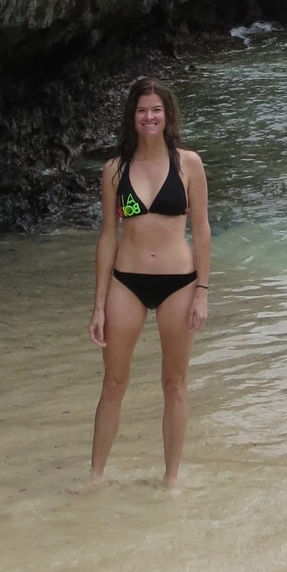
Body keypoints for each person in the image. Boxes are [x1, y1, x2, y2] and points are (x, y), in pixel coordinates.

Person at [89, 77, 210, 488]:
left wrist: (202, 293)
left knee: (174, 385)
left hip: (179, 283)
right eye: (142, 110)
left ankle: (171, 480)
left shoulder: (189, 164)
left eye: (156, 109)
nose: (149, 117)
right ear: (132, 116)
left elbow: (202, 230)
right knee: (113, 382)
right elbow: (108, 237)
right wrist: (98, 305)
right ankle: (95, 477)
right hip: (127, 282)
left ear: (168, 115)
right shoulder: (115, 169)